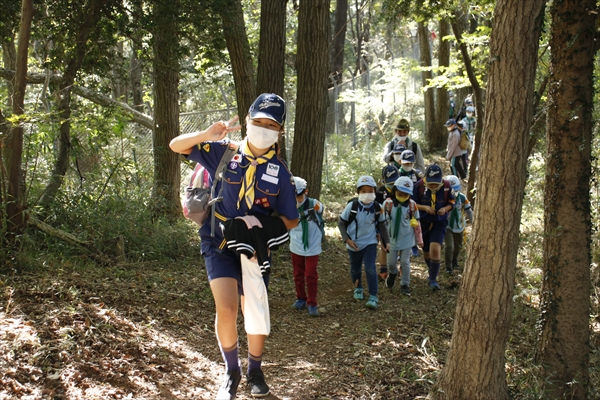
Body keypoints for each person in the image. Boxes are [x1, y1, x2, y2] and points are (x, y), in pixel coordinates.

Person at [169, 93, 299, 400]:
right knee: (226, 308)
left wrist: (261, 226)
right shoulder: (225, 153)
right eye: (258, 122)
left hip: (254, 248)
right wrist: (205, 135)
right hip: (218, 239)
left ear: (279, 131)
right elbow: (177, 145)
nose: (263, 128)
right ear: (248, 120)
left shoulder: (281, 173)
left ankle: (255, 368)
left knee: (252, 309)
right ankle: (232, 371)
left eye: (271, 125)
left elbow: (290, 219)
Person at [338, 176, 390, 309]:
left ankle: (373, 295)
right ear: (358, 192)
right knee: (355, 269)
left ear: (374, 192)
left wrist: (387, 241)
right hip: (353, 243)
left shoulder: (378, 207)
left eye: (370, 191)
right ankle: (358, 287)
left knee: (370, 268)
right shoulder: (352, 206)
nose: (367, 194)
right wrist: (347, 239)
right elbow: (341, 222)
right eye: (363, 191)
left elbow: (382, 224)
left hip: (370, 242)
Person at [412, 164, 455, 290]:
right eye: (430, 184)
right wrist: (424, 207)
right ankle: (432, 270)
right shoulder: (418, 186)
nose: (433, 186)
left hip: (439, 222)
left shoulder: (447, 186)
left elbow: (452, 203)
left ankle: (433, 279)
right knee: (426, 253)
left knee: (435, 249)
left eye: (436, 184)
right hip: (423, 223)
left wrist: (444, 209)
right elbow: (412, 204)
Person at [289, 176, 324, 317]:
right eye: (295, 195)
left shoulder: (313, 203)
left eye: (300, 194)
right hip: (296, 243)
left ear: (306, 192)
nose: (298, 198)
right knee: (298, 273)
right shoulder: (288, 206)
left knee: (310, 273)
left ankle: (312, 303)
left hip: (313, 243)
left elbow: (320, 209)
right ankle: (301, 298)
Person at [382, 176, 422, 296]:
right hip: (391, 239)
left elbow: (417, 223)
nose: (403, 196)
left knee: (405, 262)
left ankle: (405, 284)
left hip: (407, 238)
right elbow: (381, 222)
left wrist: (419, 239)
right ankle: (393, 273)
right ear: (394, 191)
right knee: (391, 263)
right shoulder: (387, 204)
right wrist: (381, 237)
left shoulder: (412, 205)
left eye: (406, 195)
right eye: (400, 193)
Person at [443, 175, 473, 274]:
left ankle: (454, 260)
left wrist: (473, 222)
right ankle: (448, 267)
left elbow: (469, 210)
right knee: (449, 246)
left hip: (459, 225)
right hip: (448, 226)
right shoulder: (444, 198)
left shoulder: (462, 198)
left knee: (458, 246)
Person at [398, 149, 424, 257]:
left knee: (414, 223)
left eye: (410, 163)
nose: (408, 165)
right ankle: (400, 248)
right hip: (401, 203)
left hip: (414, 204)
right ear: (400, 162)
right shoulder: (397, 173)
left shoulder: (417, 174)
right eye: (406, 163)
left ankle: (413, 245)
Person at [375, 165, 399, 279]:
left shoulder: (400, 190)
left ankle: (399, 268)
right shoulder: (379, 192)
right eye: (390, 182)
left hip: (398, 223)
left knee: (398, 246)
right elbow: (376, 208)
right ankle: (383, 270)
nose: (392, 184)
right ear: (383, 179)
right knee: (384, 246)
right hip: (384, 223)